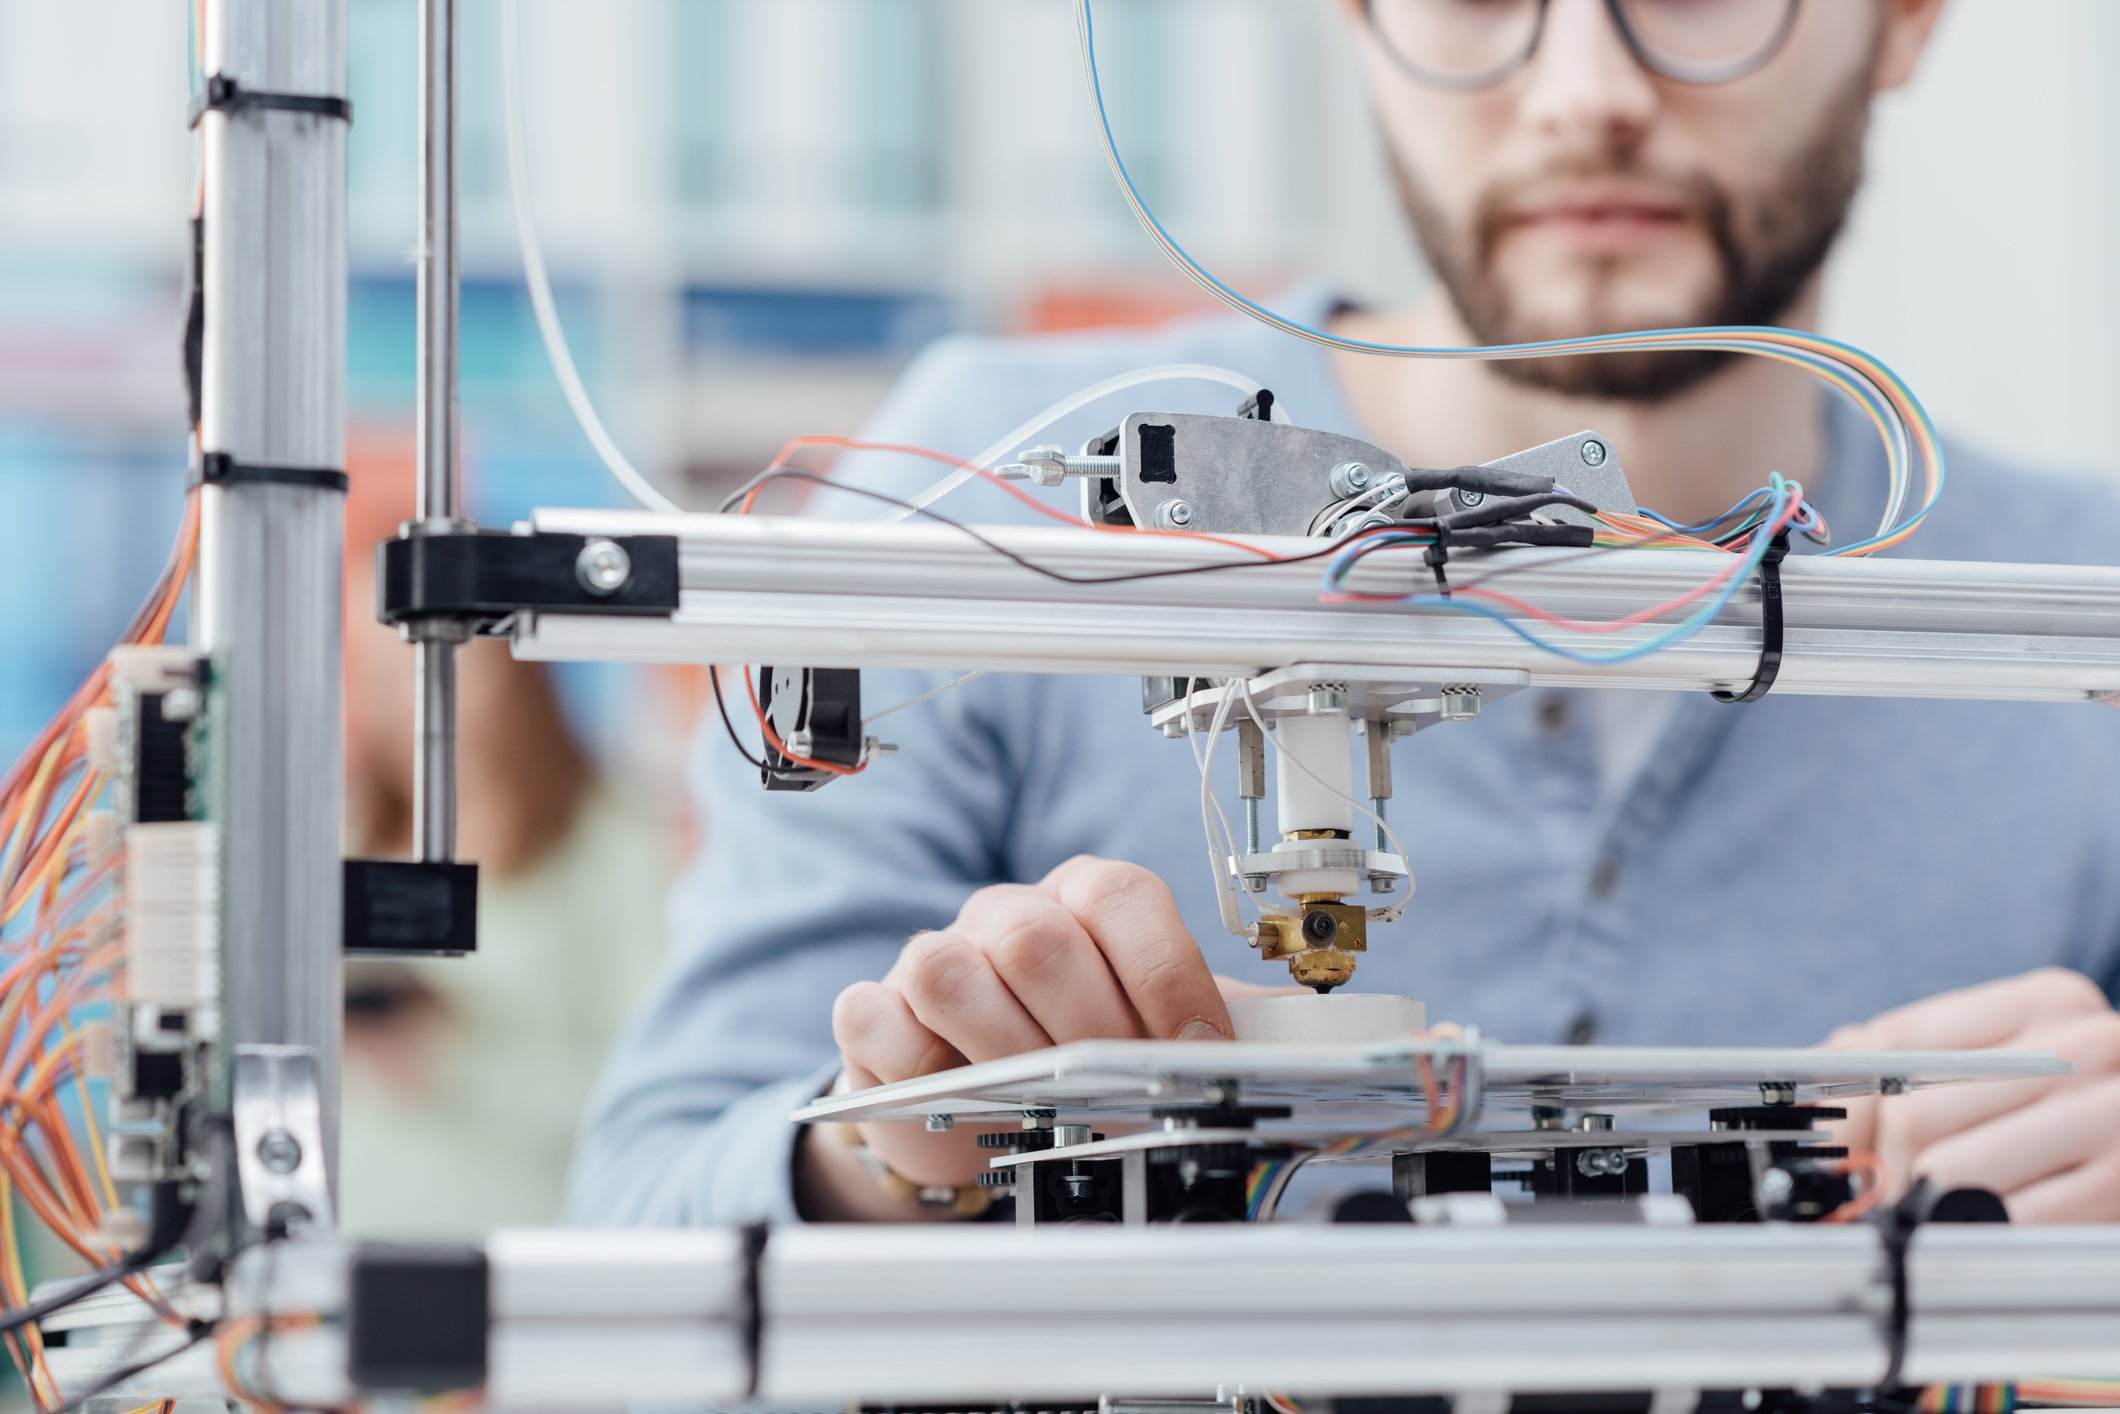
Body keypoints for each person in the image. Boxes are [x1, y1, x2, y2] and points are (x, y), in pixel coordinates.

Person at [570, 0, 2120, 1227]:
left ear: (1906, 16)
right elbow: (636, 1248)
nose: (1584, 84)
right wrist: (902, 1150)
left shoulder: (2078, 610)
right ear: (1358, 17)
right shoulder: (1005, 500)